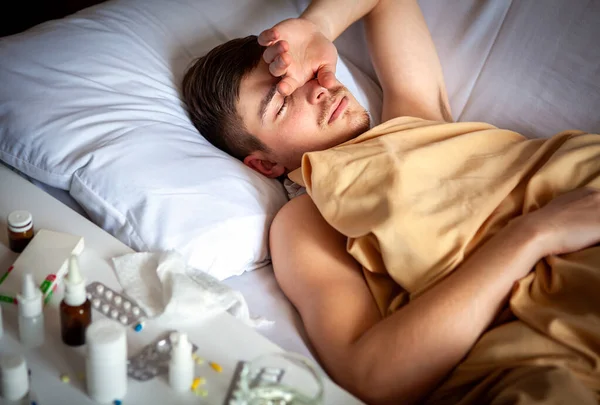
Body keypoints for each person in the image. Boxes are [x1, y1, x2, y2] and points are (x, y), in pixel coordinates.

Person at [182, 1, 600, 404]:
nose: (315, 91)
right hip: (556, 329)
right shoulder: (305, 223)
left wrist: (318, 27)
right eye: (281, 102)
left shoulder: (415, 118)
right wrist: (536, 234)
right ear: (265, 164)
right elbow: (372, 374)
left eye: (304, 74)